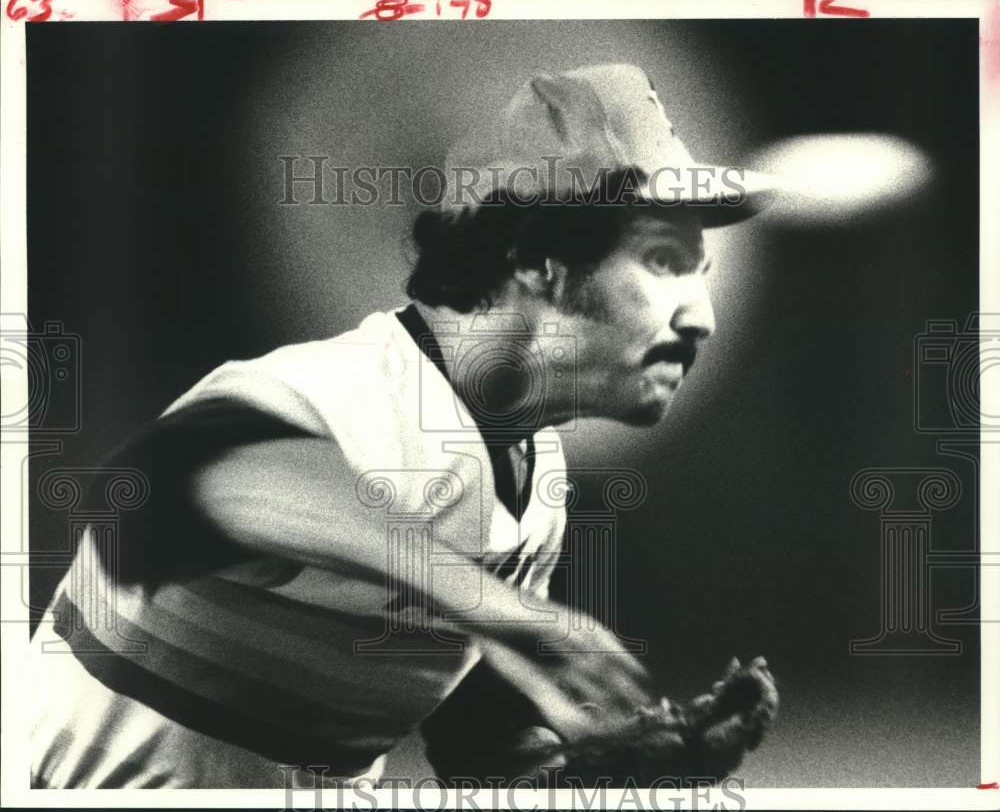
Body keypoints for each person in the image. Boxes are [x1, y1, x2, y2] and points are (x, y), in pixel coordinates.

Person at [29, 62, 775, 789]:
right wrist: (500, 607)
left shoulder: (533, 469)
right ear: (536, 258)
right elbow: (162, 484)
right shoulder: (352, 389)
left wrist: (607, 767)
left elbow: (480, 744)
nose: (703, 318)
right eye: (665, 261)